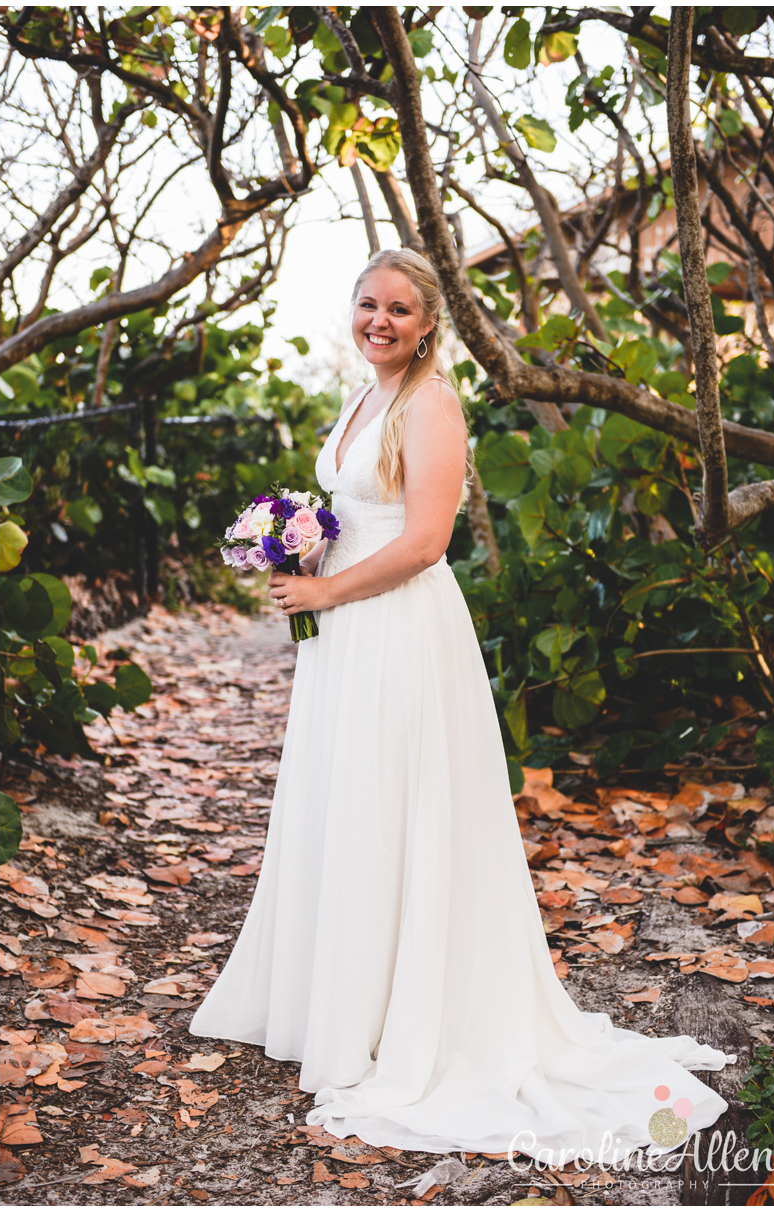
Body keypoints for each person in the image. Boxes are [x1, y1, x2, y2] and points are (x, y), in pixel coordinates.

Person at [189, 248, 731, 1160]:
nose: (381, 322)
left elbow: (429, 541)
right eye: (369, 305)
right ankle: (341, 1004)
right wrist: (303, 549)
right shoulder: (364, 394)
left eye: (400, 310)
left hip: (395, 625)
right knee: (349, 805)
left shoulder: (431, 402)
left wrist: (327, 592)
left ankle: (406, 1019)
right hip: (348, 633)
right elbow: (362, 513)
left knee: (392, 810)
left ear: (428, 324)